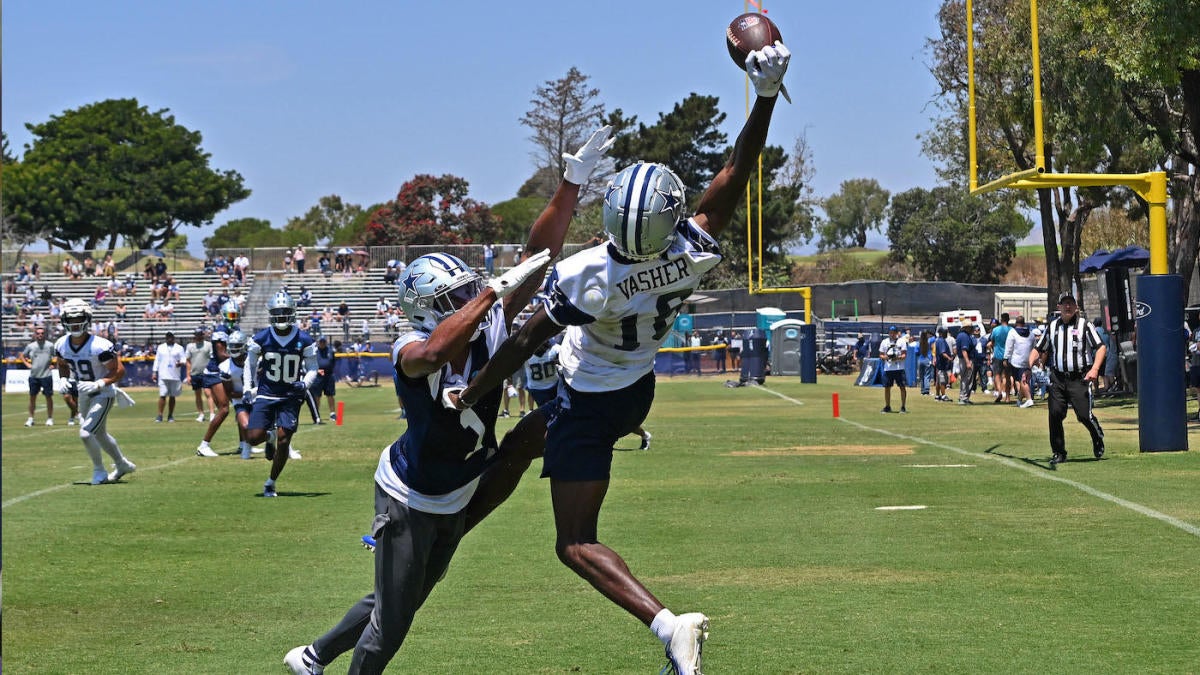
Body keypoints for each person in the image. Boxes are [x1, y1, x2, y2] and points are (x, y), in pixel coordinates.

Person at [452, 44, 788, 675]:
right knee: (524, 442)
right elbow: (736, 171)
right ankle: (457, 528)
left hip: (594, 395)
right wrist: (765, 95)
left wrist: (471, 393)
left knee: (574, 541)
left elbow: (526, 341)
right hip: (635, 386)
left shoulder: (591, 276)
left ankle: (670, 627)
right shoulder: (692, 251)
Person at [283, 126, 613, 675]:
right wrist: (488, 294)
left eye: (466, 289)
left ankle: (313, 656)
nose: (467, 298)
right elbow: (434, 354)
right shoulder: (410, 346)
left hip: (457, 489)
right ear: (427, 307)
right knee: (392, 624)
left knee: (400, 601)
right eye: (453, 297)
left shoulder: (486, 322)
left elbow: (540, 254)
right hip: (409, 496)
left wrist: (571, 184)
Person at [243, 291, 318, 497]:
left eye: (285, 312)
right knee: (252, 438)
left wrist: (305, 384)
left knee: (285, 440)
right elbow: (249, 364)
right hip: (267, 393)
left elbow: (313, 368)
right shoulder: (261, 337)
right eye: (278, 312)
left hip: (290, 396)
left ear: (292, 313)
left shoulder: (304, 339)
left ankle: (271, 482)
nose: (282, 316)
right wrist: (247, 387)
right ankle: (269, 436)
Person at [54, 299, 137, 485]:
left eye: (79, 318)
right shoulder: (61, 344)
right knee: (99, 434)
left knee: (85, 433)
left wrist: (100, 383)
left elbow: (119, 370)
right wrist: (63, 379)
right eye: (71, 319)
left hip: (103, 393)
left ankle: (99, 470)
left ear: (87, 319)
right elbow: (62, 365)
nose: (75, 323)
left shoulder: (100, 345)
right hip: (83, 393)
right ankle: (121, 464)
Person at [1028, 294, 1107, 467]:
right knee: (1055, 414)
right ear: (1059, 307)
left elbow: (1101, 347)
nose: (1068, 307)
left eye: (1071, 304)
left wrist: (1094, 369)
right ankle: (1058, 452)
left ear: (1076, 307)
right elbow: (1039, 348)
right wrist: (1030, 363)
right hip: (1058, 378)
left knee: (1084, 415)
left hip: (1079, 378)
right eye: (1065, 304)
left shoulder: (1085, 326)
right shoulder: (1052, 327)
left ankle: (1097, 437)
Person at [22, 326, 58, 426]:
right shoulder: (31, 346)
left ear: (45, 334)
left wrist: (53, 364)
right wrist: (27, 364)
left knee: (48, 397)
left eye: (42, 333)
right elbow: (22, 355)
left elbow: (57, 356)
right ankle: (30, 419)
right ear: (35, 334)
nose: (40, 335)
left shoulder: (50, 345)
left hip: (47, 375)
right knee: (32, 397)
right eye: (38, 333)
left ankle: (50, 418)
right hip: (34, 375)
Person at [152, 331, 186, 422]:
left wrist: (181, 363)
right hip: (163, 374)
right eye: (168, 337)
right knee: (162, 394)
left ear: (174, 337)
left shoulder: (179, 348)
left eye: (171, 337)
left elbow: (184, 359)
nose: (169, 338)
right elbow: (157, 360)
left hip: (175, 374)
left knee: (172, 396)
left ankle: (170, 415)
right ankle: (159, 415)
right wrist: (154, 372)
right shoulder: (161, 347)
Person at [1004, 315, 1037, 408]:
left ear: (1016, 323)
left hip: (1017, 361)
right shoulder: (1030, 333)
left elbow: (1009, 346)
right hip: (1028, 360)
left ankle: (1029, 399)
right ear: (1024, 323)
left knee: (1022, 381)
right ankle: (1019, 399)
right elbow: (1035, 346)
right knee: (1024, 379)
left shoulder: (1012, 332)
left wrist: (1006, 358)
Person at [185, 327, 215, 422]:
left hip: (206, 373)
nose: (198, 336)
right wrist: (188, 375)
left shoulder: (208, 345)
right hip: (195, 373)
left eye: (200, 334)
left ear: (202, 335)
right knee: (197, 395)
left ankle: (212, 413)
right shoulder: (190, 346)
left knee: (208, 393)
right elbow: (188, 361)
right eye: (196, 335)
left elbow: (212, 358)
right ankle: (201, 414)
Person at [879, 325, 909, 413]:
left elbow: (904, 355)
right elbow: (881, 354)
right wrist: (886, 357)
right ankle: (887, 406)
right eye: (890, 333)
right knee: (887, 387)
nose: (892, 335)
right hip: (888, 368)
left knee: (902, 387)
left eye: (894, 333)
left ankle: (903, 406)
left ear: (897, 333)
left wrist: (897, 358)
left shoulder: (901, 341)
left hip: (899, 368)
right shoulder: (884, 342)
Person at [311, 335, 338, 422]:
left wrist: (328, 370)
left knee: (330, 395)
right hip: (318, 376)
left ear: (326, 342)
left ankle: (332, 414)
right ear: (318, 342)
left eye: (323, 342)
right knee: (317, 396)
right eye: (320, 342)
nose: (322, 343)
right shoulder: (314, 351)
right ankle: (316, 414)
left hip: (329, 376)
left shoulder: (330, 351)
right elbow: (310, 363)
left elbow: (333, 362)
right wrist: (317, 370)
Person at [989, 313, 1012, 402]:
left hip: (998, 355)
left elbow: (992, 341)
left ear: (1001, 319)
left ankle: (999, 392)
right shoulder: (1011, 330)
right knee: (1007, 376)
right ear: (1008, 320)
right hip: (1008, 356)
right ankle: (1007, 397)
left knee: (997, 374)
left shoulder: (995, 330)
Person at [956, 320, 976, 405]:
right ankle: (963, 397)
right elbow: (964, 350)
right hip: (966, 360)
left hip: (963, 359)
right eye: (970, 327)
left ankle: (965, 397)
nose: (972, 328)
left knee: (966, 379)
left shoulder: (962, 335)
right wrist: (968, 362)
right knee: (966, 379)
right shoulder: (964, 336)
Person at [933, 327, 953, 401]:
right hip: (942, 364)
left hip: (939, 364)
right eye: (945, 332)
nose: (946, 334)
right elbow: (942, 352)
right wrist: (949, 358)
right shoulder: (941, 341)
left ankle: (937, 395)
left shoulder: (938, 340)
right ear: (941, 333)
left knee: (938, 380)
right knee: (942, 381)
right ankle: (943, 395)